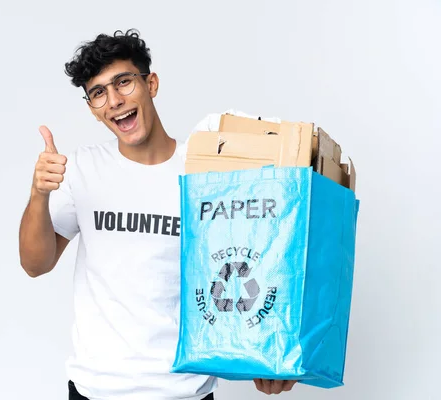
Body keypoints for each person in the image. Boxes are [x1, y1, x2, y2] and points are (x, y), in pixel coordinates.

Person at [18, 29, 297, 399]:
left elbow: (253, 261)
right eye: (99, 92)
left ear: (151, 83)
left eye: (123, 82)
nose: (114, 100)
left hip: (183, 390)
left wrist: (270, 358)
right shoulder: (83, 168)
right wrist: (39, 194)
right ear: (92, 108)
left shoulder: (205, 172)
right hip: (97, 389)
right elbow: (36, 264)